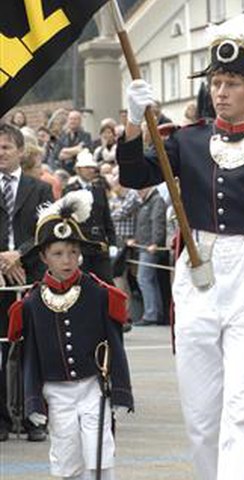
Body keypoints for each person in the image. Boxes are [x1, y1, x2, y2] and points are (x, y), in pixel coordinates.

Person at [117, 9, 244, 479]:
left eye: (232, 83)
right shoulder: (186, 141)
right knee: (202, 416)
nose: (221, 91)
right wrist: (131, 124)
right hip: (198, 276)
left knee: (243, 409)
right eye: (216, 81)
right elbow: (133, 175)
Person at [8, 190, 133, 479]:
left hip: (93, 387)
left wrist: (121, 391)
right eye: (58, 254)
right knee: (66, 458)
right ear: (43, 256)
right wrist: (33, 400)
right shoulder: (31, 303)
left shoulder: (100, 294)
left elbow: (115, 344)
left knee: (99, 454)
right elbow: (30, 357)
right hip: (57, 391)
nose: (67, 260)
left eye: (73, 252)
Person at [0, 124, 53, 442]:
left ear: (20, 151)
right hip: (0, 279)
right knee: (0, 350)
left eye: (6, 147)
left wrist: (17, 254)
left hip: (30, 276)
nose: (1, 153)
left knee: (34, 349)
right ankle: (2, 419)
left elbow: (44, 231)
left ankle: (35, 417)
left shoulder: (40, 189)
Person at [64, 149, 116, 283]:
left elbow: (106, 218)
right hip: (81, 245)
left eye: (92, 167)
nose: (91, 170)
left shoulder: (99, 190)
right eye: (87, 167)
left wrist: (112, 243)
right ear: (78, 169)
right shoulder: (70, 190)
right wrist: (71, 249)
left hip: (99, 245)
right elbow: (66, 221)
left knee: (106, 283)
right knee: (82, 284)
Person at [130, 186, 167, 326]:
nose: (138, 192)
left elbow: (157, 222)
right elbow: (144, 224)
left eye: (140, 189)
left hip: (149, 247)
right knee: (150, 280)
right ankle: (155, 313)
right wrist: (136, 239)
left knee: (144, 279)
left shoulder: (156, 200)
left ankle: (151, 314)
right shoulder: (147, 201)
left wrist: (155, 242)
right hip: (145, 245)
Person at [53, 110, 93, 175]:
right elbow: (58, 155)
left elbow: (86, 151)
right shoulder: (62, 137)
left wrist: (65, 151)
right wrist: (76, 150)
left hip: (80, 169)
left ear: (80, 121)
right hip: (64, 169)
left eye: (75, 119)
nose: (72, 121)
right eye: (71, 119)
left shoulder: (86, 136)